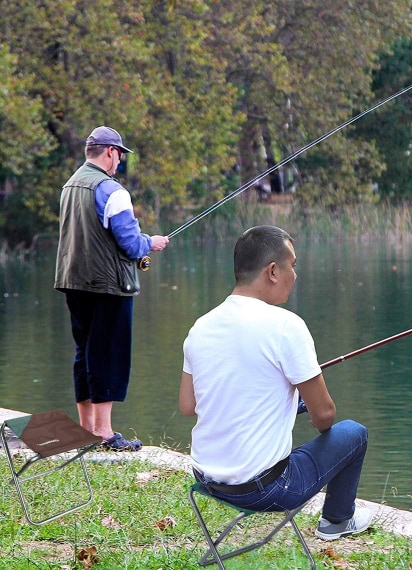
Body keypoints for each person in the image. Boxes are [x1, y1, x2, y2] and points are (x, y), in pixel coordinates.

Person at [179, 225, 372, 540]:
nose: (294, 275)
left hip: (207, 479)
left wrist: (287, 402)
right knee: (354, 434)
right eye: (292, 266)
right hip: (265, 490)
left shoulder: (200, 327)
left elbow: (189, 406)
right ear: (272, 271)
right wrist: (309, 405)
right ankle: (336, 522)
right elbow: (325, 417)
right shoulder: (286, 326)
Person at [55, 126, 169, 451]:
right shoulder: (112, 190)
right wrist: (153, 242)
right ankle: (104, 433)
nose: (120, 161)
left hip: (73, 281)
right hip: (108, 285)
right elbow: (132, 245)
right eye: (120, 154)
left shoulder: (70, 185)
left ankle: (87, 429)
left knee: (85, 352)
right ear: (109, 152)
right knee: (108, 354)